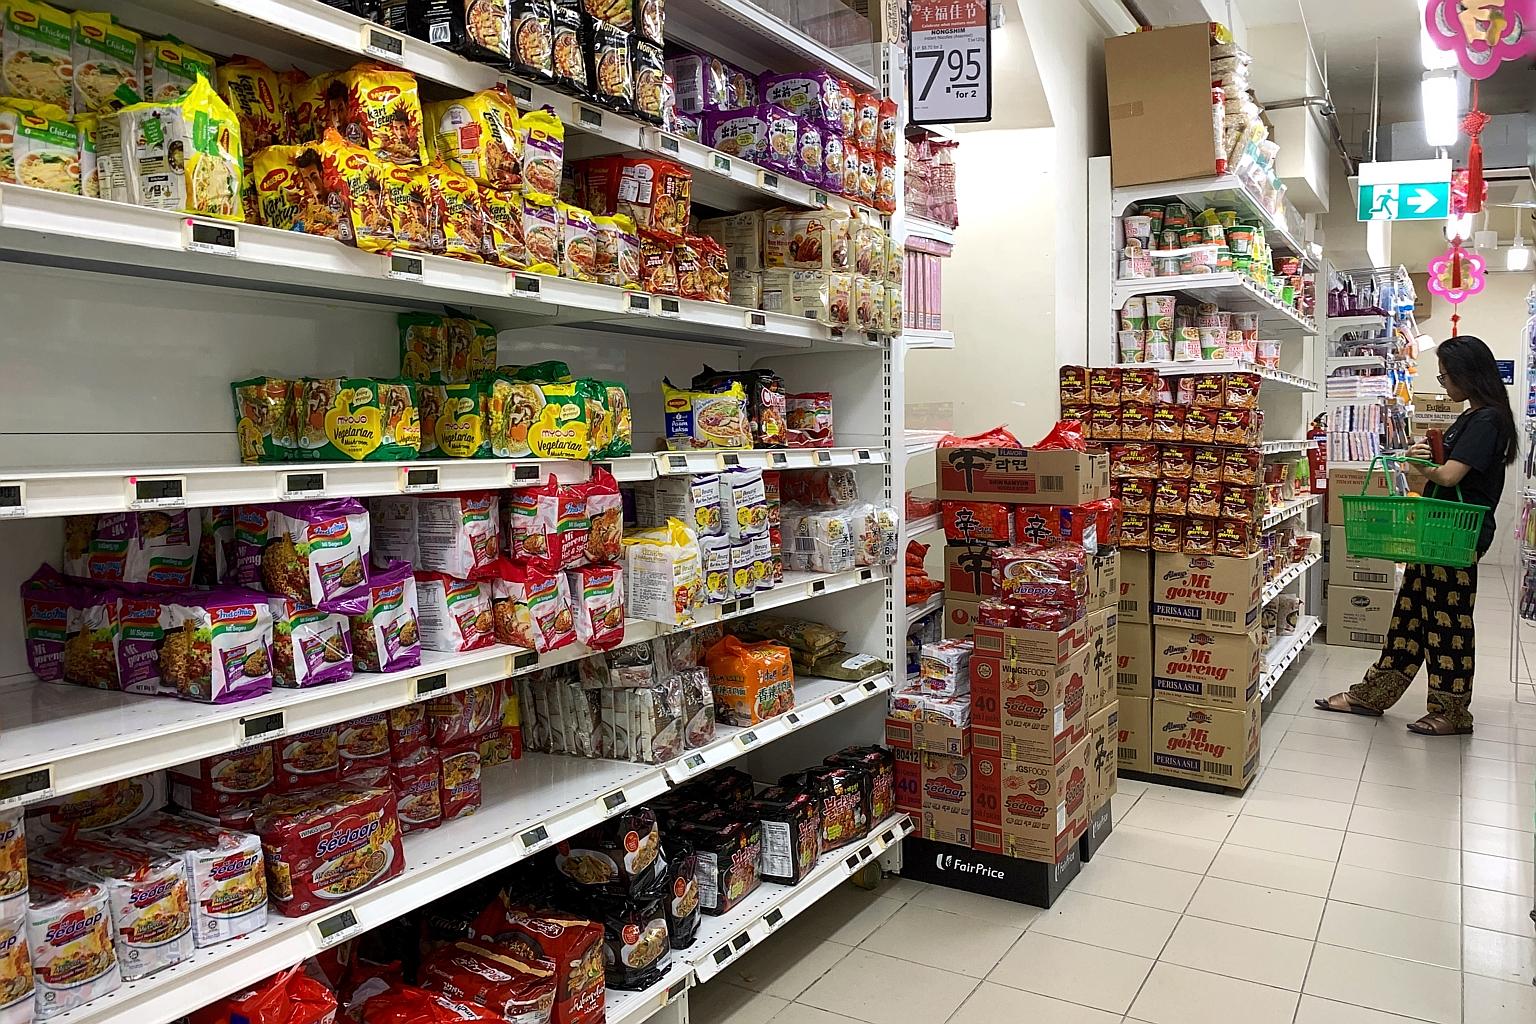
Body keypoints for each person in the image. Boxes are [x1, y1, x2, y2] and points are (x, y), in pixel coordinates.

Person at [1317, 334, 1517, 736]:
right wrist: (1424, 455)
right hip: (1436, 529)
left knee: (1449, 624)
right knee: (1408, 617)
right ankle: (1372, 693)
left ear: (1468, 374)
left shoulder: (1488, 419)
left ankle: (1452, 711)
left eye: (1446, 377)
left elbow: (1448, 476)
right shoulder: (1470, 416)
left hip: (1457, 534)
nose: (1443, 383)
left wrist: (1421, 466)